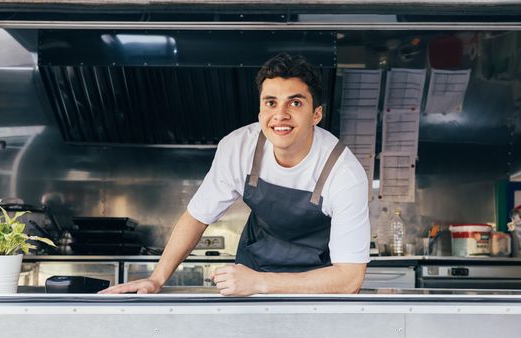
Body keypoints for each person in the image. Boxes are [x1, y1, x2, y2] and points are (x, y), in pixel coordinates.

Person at [101, 53, 370, 296]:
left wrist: (262, 283)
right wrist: (157, 279)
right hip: (254, 270)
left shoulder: (343, 172)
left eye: (295, 103)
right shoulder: (239, 148)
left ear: (316, 114)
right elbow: (196, 216)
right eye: (271, 102)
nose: (280, 115)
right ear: (260, 110)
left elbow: (349, 280)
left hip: (318, 283)